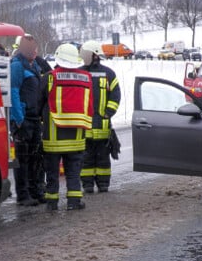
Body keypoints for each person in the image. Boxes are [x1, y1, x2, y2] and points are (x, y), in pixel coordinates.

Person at [40, 43, 93, 211]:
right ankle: (74, 202)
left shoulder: (50, 77)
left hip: (53, 135)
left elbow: (37, 103)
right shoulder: (86, 78)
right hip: (77, 135)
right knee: (73, 170)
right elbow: (91, 104)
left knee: (52, 171)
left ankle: (52, 203)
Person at [78, 41, 121, 193]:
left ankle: (103, 184)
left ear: (93, 54)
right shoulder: (78, 72)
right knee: (86, 158)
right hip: (85, 125)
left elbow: (115, 96)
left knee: (103, 158)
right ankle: (88, 185)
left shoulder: (109, 74)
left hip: (102, 126)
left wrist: (108, 113)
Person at [9, 34, 45, 206]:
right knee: (22, 160)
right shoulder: (17, 66)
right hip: (23, 119)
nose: (34, 51)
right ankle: (23, 195)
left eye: (35, 48)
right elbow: (13, 92)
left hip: (35, 118)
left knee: (35, 157)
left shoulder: (35, 65)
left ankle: (35, 191)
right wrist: (19, 119)